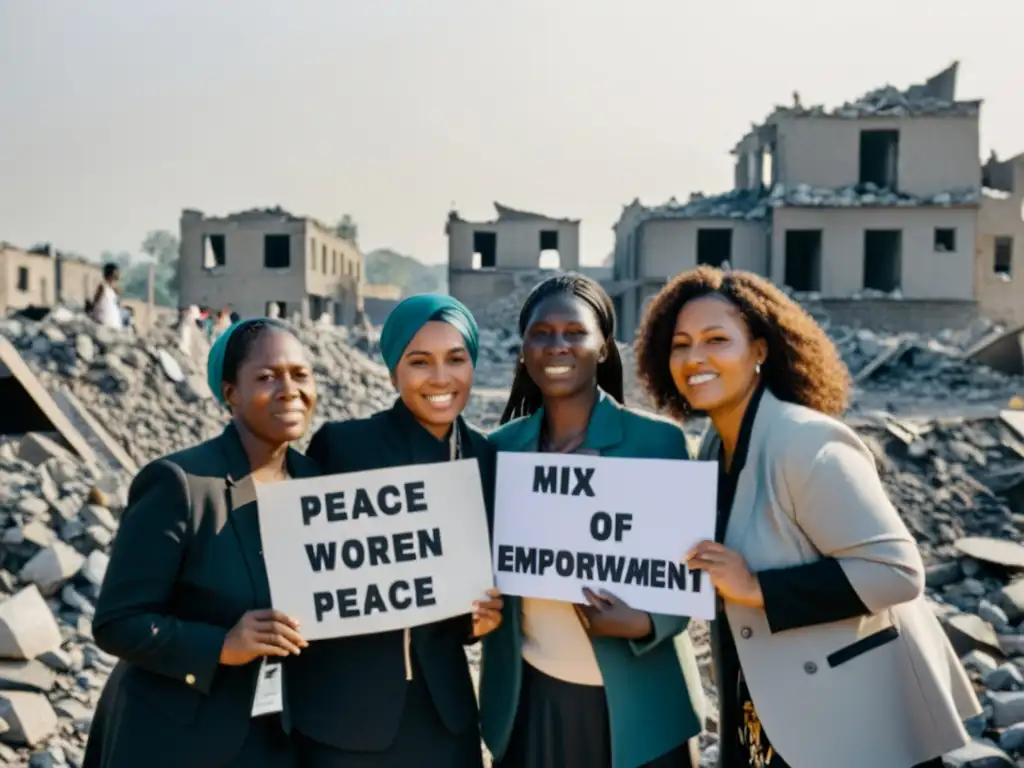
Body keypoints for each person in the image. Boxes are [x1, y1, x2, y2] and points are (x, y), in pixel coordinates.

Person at [634, 266, 982, 768]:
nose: (695, 358)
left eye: (716, 339)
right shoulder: (714, 444)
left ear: (760, 350)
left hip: (851, 719)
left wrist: (757, 588)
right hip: (771, 711)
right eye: (680, 344)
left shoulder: (807, 443)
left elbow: (898, 572)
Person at [480, 273, 704, 768]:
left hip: (642, 705)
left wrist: (645, 620)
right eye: (541, 333)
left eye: (575, 332)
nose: (557, 345)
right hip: (532, 700)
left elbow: (689, 569)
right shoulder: (500, 451)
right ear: (523, 349)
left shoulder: (659, 443)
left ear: (603, 347)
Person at [85, 318, 321, 768]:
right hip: (175, 740)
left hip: (277, 739)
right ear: (230, 393)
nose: (289, 389)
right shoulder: (181, 485)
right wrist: (220, 646)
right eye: (267, 377)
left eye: (300, 374)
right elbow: (117, 621)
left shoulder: (317, 484)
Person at [291, 294, 503, 768]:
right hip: (345, 718)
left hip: (443, 718)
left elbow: (469, 591)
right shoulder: (344, 447)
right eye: (419, 362)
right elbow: (307, 574)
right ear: (393, 372)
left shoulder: (486, 460)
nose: (441, 378)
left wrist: (477, 620)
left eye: (456, 359)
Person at [89, 263, 124, 329]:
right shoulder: (103, 286)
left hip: (111, 322)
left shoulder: (112, 288)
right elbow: (96, 302)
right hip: (108, 322)